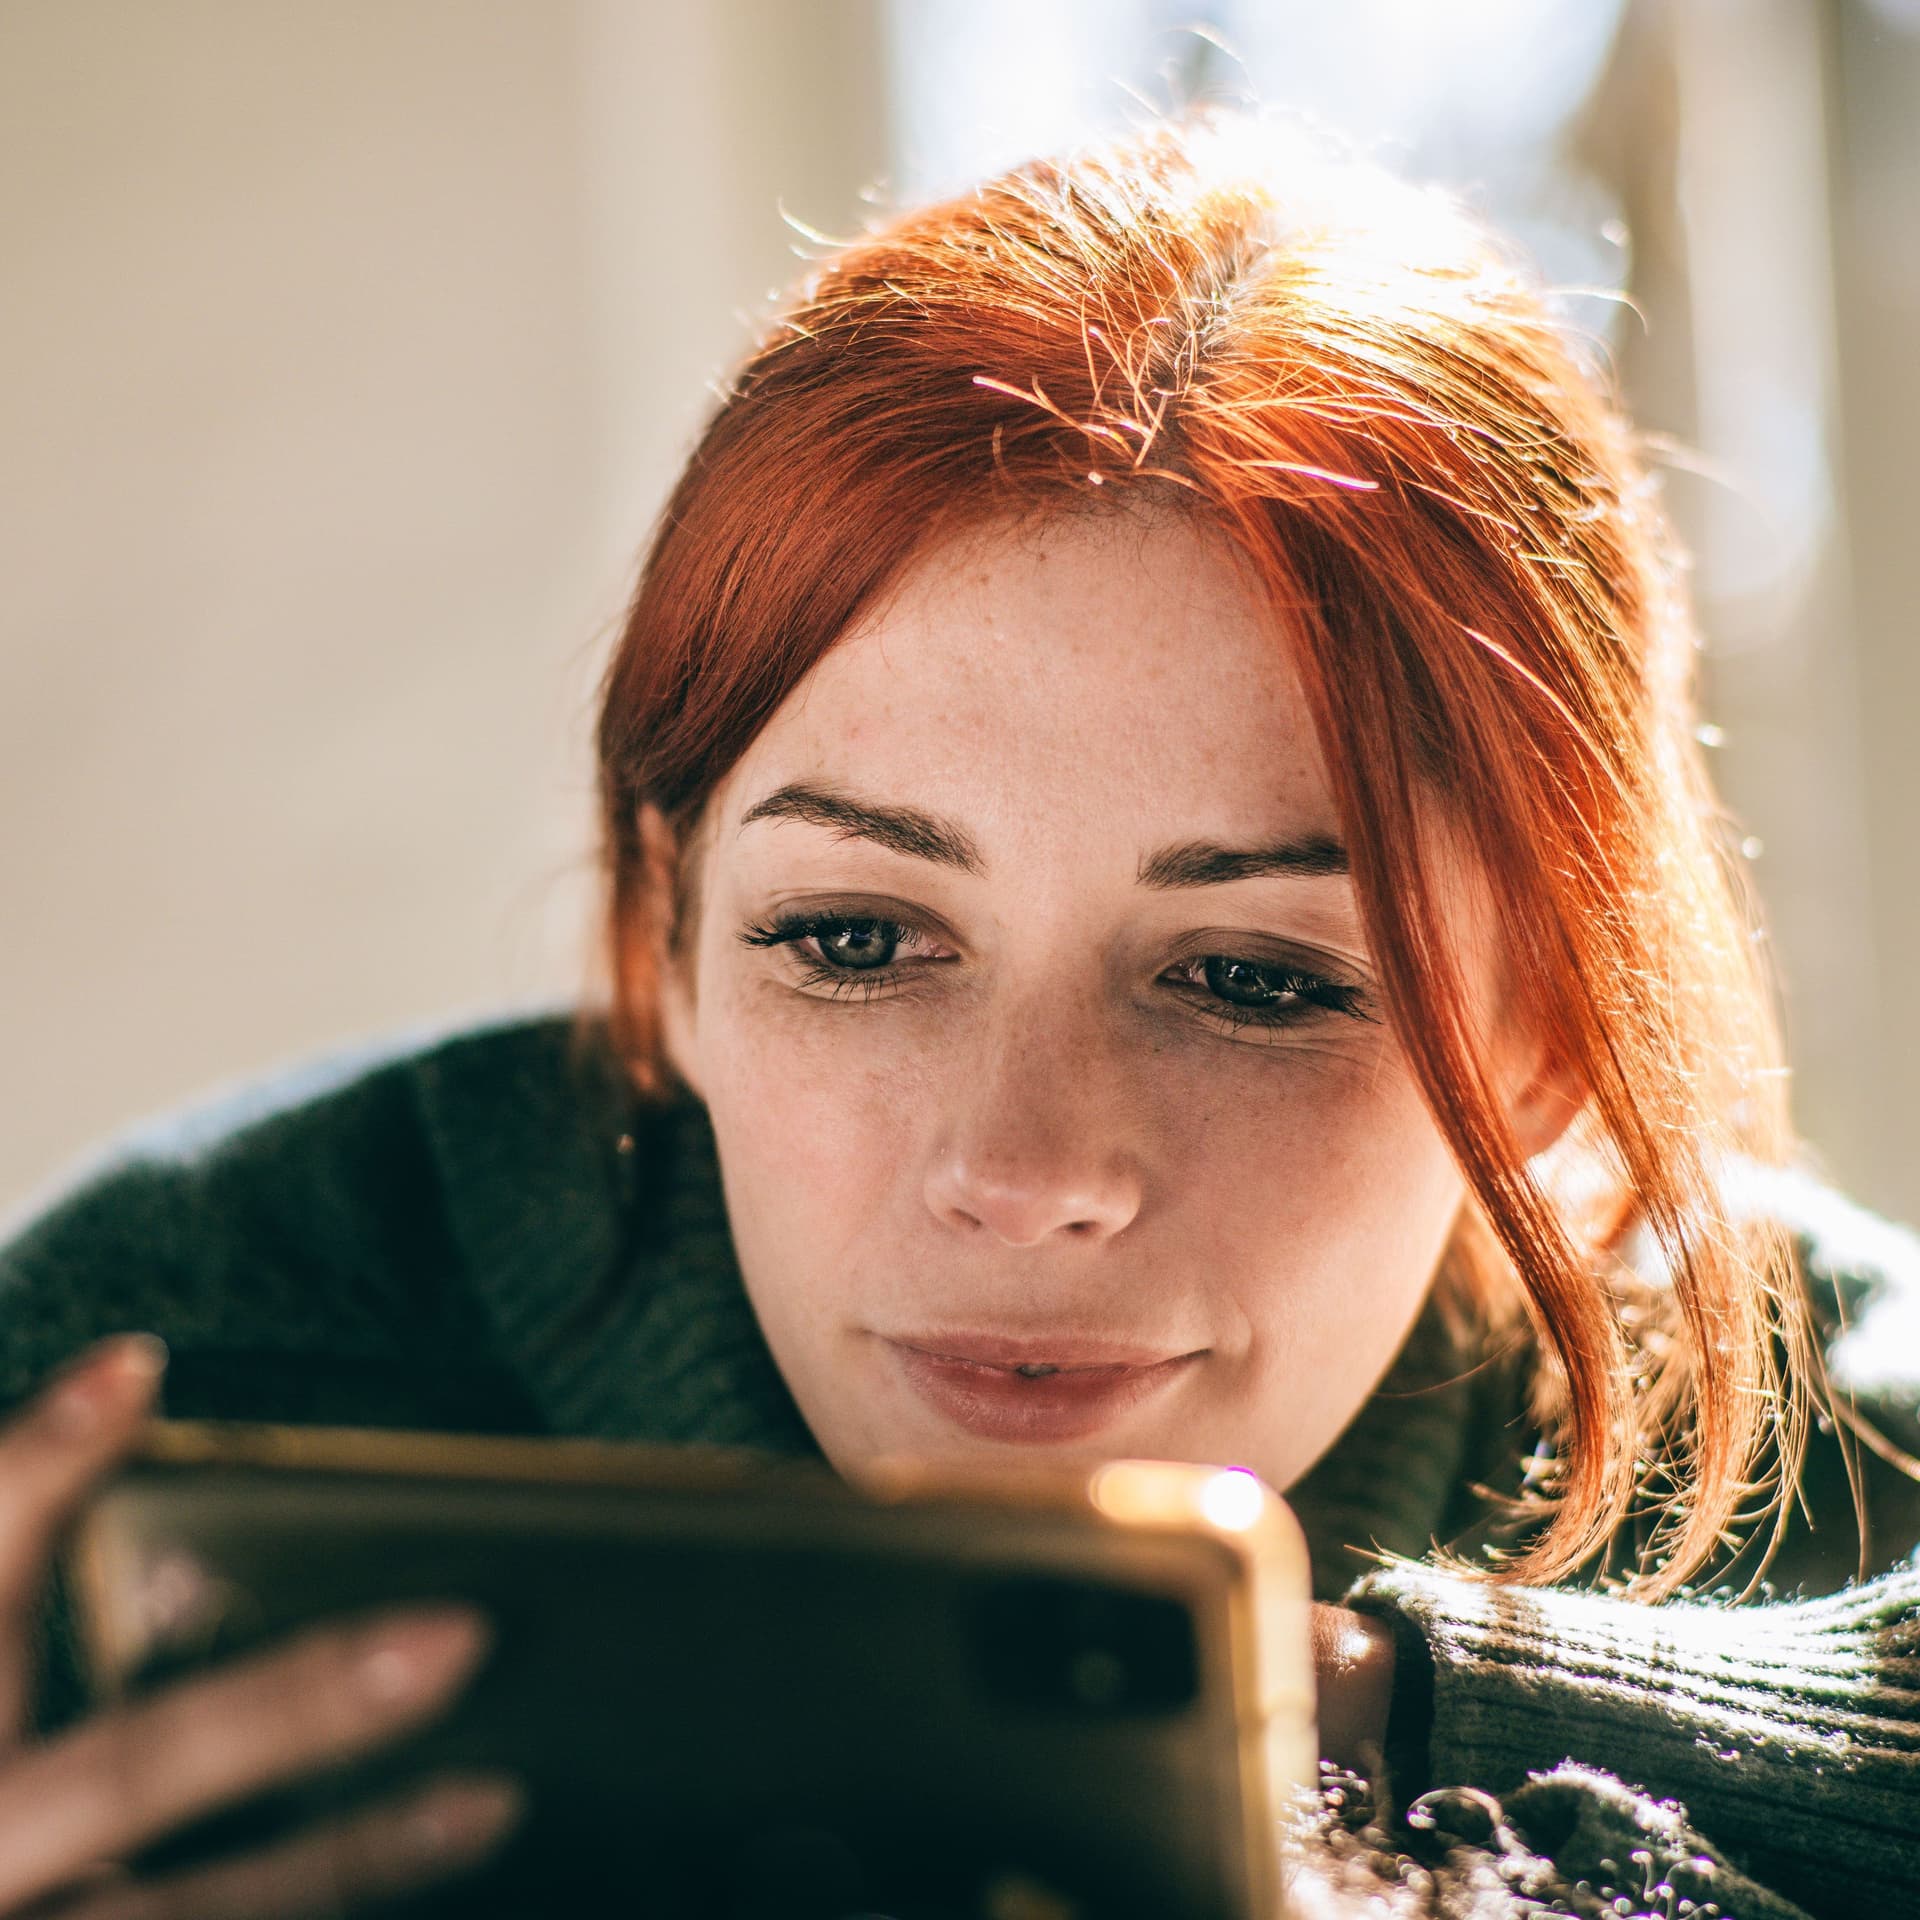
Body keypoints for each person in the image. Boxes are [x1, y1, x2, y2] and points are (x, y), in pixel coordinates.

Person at [0, 115, 1915, 1918]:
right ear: (666, 938)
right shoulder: (195, 1352)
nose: (1026, 1171)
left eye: (1256, 980)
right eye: (849, 941)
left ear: (1551, 1040)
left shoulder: (1845, 1453)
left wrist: (1360, 1724)